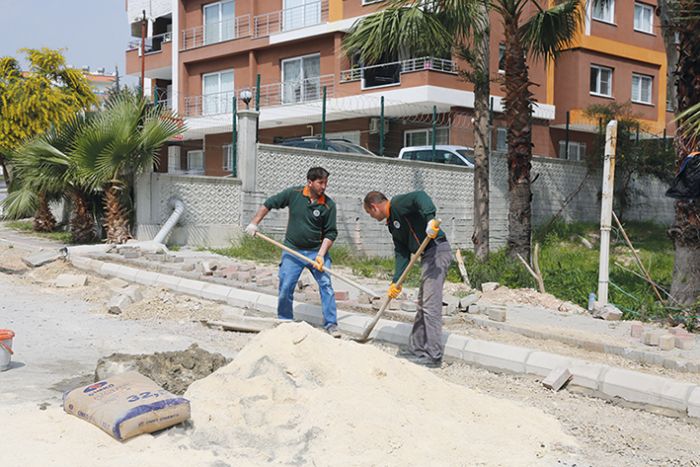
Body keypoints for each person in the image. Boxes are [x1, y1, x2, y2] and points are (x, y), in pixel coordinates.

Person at [246, 167, 341, 337]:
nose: (324, 187)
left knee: (326, 286)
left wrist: (321, 255)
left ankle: (331, 324)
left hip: (316, 252)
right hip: (292, 250)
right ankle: (285, 321)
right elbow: (269, 203)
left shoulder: (328, 204)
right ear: (310, 182)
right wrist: (254, 223)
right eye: (320, 183)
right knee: (286, 285)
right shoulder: (294, 194)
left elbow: (331, 233)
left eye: (326, 183)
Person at [363, 190, 451, 367]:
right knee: (423, 304)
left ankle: (433, 356)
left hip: (437, 251)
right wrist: (396, 281)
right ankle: (417, 350)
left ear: (374, 207)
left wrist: (430, 219)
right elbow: (402, 252)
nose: (371, 217)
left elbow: (420, 196)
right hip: (428, 255)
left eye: (370, 213)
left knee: (430, 305)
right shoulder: (391, 225)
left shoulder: (397, 204)